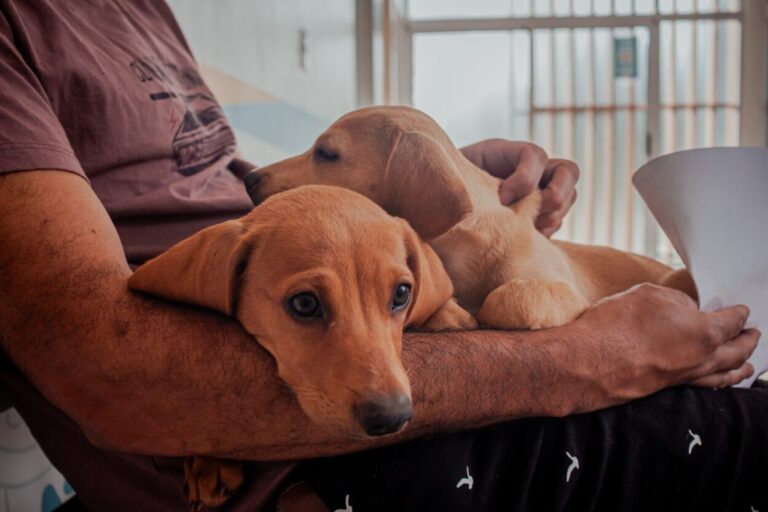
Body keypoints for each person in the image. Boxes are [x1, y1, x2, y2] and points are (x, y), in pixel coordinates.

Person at [0, 1, 762, 511]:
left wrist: (438, 188)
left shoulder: (142, 10)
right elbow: (101, 366)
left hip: (338, 337)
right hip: (296, 464)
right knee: (750, 429)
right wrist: (595, 357)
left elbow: (257, 206)